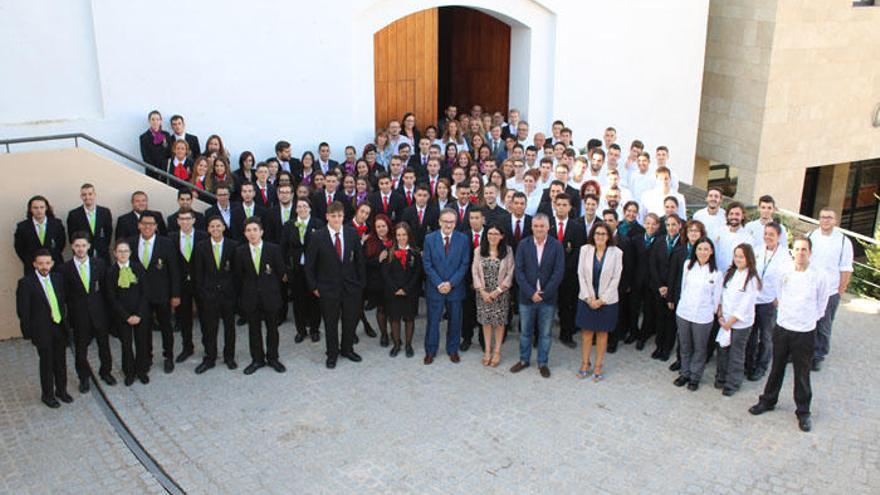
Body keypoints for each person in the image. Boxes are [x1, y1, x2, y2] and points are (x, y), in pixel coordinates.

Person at [749, 236, 828, 432]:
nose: (800, 253)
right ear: (792, 251)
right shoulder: (785, 272)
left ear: (810, 253)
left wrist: (808, 318)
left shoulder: (819, 275)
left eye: (804, 250)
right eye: (797, 249)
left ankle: (803, 411)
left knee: (802, 373)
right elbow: (780, 294)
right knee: (777, 367)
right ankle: (768, 400)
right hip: (783, 327)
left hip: (805, 331)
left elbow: (822, 304)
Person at [305, 201, 366, 369]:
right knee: (331, 323)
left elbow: (360, 262)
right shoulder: (317, 236)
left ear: (343, 216)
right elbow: (310, 265)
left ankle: (347, 349)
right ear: (327, 217)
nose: (336, 219)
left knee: (350, 320)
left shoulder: (352, 233)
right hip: (327, 289)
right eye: (333, 216)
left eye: (339, 216)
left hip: (350, 288)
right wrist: (314, 287)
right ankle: (332, 353)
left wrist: (360, 285)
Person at [510, 213, 565, 379]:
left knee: (545, 334)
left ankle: (543, 362)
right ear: (532, 227)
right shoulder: (523, 245)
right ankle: (524, 360)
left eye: (542, 226)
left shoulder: (556, 246)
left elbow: (558, 271)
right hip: (527, 298)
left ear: (548, 227)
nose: (539, 229)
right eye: (536, 226)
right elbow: (518, 271)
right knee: (525, 332)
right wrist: (531, 292)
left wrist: (544, 293)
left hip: (547, 298)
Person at [16, 249, 71, 408]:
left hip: (59, 326)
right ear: (34, 264)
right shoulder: (26, 283)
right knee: (47, 363)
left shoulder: (57, 279)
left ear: (52, 263)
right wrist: (28, 332)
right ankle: (47, 395)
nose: (44, 266)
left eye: (47, 263)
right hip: (42, 330)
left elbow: (62, 301)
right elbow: (23, 310)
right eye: (40, 263)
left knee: (60, 361)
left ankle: (62, 391)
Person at [128, 212, 181, 374]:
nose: (147, 227)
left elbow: (174, 271)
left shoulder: (166, 243)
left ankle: (168, 356)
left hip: (162, 294)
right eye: (144, 223)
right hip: (140, 297)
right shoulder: (131, 243)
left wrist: (175, 294)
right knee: (144, 329)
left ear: (156, 227)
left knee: (166, 327)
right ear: (139, 225)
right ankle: (147, 357)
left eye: (151, 224)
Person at [62, 232, 114, 393]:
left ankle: (105, 372)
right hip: (79, 316)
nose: (80, 249)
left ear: (89, 246)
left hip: (99, 314)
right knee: (81, 350)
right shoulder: (65, 268)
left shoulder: (99, 264)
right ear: (72, 246)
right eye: (77, 246)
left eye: (83, 245)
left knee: (104, 346)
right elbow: (64, 295)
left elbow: (106, 291)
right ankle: (83, 378)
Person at [234, 218, 287, 375]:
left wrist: (269, 287)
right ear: (244, 233)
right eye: (248, 230)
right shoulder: (240, 251)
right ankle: (257, 359)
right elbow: (238, 276)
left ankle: (273, 358)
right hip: (250, 298)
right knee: (254, 330)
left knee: (272, 329)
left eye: (255, 230)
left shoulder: (273, 249)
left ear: (261, 232)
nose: (252, 233)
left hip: (270, 296)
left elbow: (280, 272)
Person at [421, 208, 471, 364]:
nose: (448, 225)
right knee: (433, 321)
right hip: (435, 288)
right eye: (446, 221)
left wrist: (450, 283)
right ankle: (430, 350)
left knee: (455, 320)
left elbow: (464, 264)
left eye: (452, 222)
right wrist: (439, 283)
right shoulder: (429, 239)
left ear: (455, 223)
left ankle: (453, 350)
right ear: (439, 222)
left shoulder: (463, 239)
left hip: (455, 288)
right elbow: (427, 264)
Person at [575, 222, 623, 382]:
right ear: (592, 235)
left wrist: (602, 300)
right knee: (587, 333)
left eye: (603, 234)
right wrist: (589, 298)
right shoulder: (585, 250)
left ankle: (598, 366)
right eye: (597, 233)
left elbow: (616, 278)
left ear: (609, 236)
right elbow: (580, 274)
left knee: (602, 334)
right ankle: (584, 364)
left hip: (607, 302)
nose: (600, 237)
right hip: (587, 299)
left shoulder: (617, 253)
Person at [672, 237, 722, 391]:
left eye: (706, 249)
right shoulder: (688, 265)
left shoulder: (716, 273)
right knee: (685, 346)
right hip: (684, 312)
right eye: (700, 249)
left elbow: (716, 298)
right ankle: (684, 373)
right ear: (695, 250)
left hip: (703, 316)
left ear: (711, 251)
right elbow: (682, 288)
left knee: (700, 349)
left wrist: (710, 313)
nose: (702, 252)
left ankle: (695, 377)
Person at [807, 207, 854, 371]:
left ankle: (818, 354)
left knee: (824, 324)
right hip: (809, 287)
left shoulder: (843, 242)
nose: (825, 220)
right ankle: (802, 351)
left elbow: (846, 268)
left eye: (829, 217)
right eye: (822, 217)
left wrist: (840, 290)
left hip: (831, 290)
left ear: (835, 221)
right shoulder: (810, 236)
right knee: (806, 320)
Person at [746, 222, 793, 382]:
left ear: (779, 236)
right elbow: (750, 271)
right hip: (754, 300)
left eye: (771, 234)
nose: (768, 237)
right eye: (766, 234)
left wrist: (778, 299)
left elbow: (787, 281)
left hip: (769, 302)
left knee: (766, 337)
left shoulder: (785, 256)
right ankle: (749, 364)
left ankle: (761, 366)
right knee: (751, 335)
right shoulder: (758, 251)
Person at [192, 216, 239, 373]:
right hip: (209, 295)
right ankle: (210, 357)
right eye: (212, 226)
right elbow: (198, 273)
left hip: (228, 295)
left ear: (224, 228)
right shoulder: (200, 247)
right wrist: (202, 293)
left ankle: (229, 357)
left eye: (218, 226)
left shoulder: (233, 246)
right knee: (209, 328)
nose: (216, 229)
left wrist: (233, 292)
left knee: (229, 327)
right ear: (208, 229)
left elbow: (236, 272)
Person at [715, 243, 761, 396]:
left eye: (741, 256)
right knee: (722, 349)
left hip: (740, 322)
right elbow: (721, 295)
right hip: (725, 319)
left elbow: (745, 304)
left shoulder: (752, 278)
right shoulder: (730, 273)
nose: (738, 259)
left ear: (749, 258)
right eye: (736, 256)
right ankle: (721, 377)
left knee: (736, 353)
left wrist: (730, 322)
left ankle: (733, 383)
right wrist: (720, 315)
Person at [104, 240, 150, 386]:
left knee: (142, 342)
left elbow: (145, 292)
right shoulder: (111, 272)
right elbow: (111, 297)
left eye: (126, 251)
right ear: (115, 253)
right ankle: (129, 372)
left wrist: (138, 314)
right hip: (122, 315)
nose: (123, 254)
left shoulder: (137, 267)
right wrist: (126, 316)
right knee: (126, 344)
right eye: (120, 251)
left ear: (130, 253)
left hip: (139, 313)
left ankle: (142, 370)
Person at [169, 208, 208, 364]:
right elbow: (170, 266)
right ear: (178, 221)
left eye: (188, 219)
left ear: (193, 220)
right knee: (184, 320)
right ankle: (187, 348)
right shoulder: (171, 238)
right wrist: (174, 292)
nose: (185, 222)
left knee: (206, 319)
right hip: (181, 286)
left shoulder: (203, 236)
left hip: (201, 285)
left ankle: (208, 350)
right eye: (182, 219)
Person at [473, 224, 514, 367]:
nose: (492, 236)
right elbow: (475, 272)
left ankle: (497, 351)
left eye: (496, 234)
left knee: (499, 323)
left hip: (500, 294)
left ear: (502, 236)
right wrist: (482, 291)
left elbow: (510, 273)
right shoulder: (479, 250)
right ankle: (487, 351)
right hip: (483, 293)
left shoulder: (508, 251)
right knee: (486, 322)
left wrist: (497, 291)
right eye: (490, 233)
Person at [550, 193, 587, 348]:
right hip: (548, 274)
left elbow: (579, 251)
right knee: (546, 305)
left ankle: (566, 335)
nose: (561, 207)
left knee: (567, 305)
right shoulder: (547, 224)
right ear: (554, 205)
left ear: (570, 207)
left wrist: (563, 268)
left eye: (565, 205)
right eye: (559, 204)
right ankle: (539, 335)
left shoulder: (577, 227)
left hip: (569, 273)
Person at [381, 222, 422, 357]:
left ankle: (408, 344)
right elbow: (385, 273)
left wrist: (406, 288)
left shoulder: (415, 252)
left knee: (409, 318)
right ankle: (397, 344)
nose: (401, 237)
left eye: (404, 234)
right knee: (395, 318)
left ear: (408, 235)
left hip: (409, 291)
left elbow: (417, 273)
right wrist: (395, 288)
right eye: (398, 235)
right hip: (393, 292)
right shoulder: (389, 251)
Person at [649, 214, 686, 361]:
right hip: (659, 287)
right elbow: (653, 264)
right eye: (668, 225)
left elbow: (679, 271)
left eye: (674, 224)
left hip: (673, 288)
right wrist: (660, 285)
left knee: (671, 321)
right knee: (660, 318)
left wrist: (669, 288)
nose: (671, 228)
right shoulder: (659, 241)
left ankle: (667, 348)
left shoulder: (683, 244)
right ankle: (659, 345)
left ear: (680, 226)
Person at [15, 195, 66, 275]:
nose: (39, 210)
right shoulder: (22, 227)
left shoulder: (56, 224)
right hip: (32, 268)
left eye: (42, 207)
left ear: (46, 208)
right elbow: (19, 248)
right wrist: (31, 261)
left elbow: (61, 244)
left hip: (54, 266)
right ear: (30, 209)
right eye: (35, 208)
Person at [630, 214, 660, 350]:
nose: (650, 226)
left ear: (658, 226)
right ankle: (633, 332)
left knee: (648, 310)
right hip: (637, 280)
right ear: (644, 224)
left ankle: (643, 336)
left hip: (651, 282)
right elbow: (632, 261)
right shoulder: (636, 239)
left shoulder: (660, 241)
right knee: (634, 308)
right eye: (648, 223)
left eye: (654, 224)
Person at [363, 214, 393, 345]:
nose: (381, 229)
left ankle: (394, 332)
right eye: (378, 227)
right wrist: (378, 260)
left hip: (393, 281)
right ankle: (384, 334)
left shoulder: (395, 239)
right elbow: (364, 262)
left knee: (393, 310)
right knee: (381, 309)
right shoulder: (370, 241)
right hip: (378, 282)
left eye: (383, 226)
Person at [67, 183, 113, 263]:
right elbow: (72, 237)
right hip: (82, 257)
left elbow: (108, 234)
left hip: (103, 255)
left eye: (90, 194)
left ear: (95, 195)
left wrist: (102, 246)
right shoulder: (73, 215)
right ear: (81, 196)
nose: (87, 197)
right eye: (84, 195)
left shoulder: (105, 212)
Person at [461, 207, 486, 351]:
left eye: (477, 218)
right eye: (471, 218)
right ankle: (467, 338)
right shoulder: (463, 236)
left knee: (483, 312)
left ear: (483, 219)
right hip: (467, 282)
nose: (474, 221)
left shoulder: (490, 235)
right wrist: (470, 281)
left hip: (484, 282)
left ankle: (484, 340)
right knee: (467, 312)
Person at [715, 201, 752, 272]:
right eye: (731, 214)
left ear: (743, 216)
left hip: (735, 275)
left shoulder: (748, 238)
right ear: (727, 216)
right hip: (717, 273)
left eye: (737, 214)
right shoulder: (719, 232)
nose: (734, 217)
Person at [399, 185, 438, 250]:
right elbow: (404, 231)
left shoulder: (434, 212)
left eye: (425, 195)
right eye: (419, 195)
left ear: (428, 196)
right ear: (415, 195)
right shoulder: (407, 212)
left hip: (429, 247)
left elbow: (436, 231)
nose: (422, 198)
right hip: (411, 248)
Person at [139, 110, 172, 181]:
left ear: (161, 121)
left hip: (165, 171)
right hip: (151, 171)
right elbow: (145, 156)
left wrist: (164, 168)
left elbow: (170, 153)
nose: (155, 122)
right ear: (149, 121)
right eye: (153, 119)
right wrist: (155, 170)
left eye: (157, 119)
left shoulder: (166, 135)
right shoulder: (143, 137)